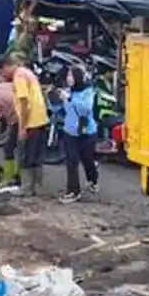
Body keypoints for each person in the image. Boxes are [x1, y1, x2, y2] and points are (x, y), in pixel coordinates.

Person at [0, 55, 49, 195]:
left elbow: (24, 103)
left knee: (25, 156)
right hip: (41, 119)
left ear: (6, 67)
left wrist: (22, 127)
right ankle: (38, 187)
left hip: (31, 121)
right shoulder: (26, 72)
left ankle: (26, 188)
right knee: (36, 156)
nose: (3, 76)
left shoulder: (19, 77)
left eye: (2, 72)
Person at [59, 65, 99, 203]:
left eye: (71, 75)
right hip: (70, 131)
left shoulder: (88, 91)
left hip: (86, 131)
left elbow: (85, 109)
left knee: (87, 159)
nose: (68, 78)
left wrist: (70, 99)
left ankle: (93, 179)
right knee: (71, 161)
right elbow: (63, 109)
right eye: (68, 76)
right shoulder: (67, 91)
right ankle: (73, 191)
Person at [0, 78, 20, 186]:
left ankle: (9, 178)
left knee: (9, 149)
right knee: (20, 148)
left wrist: (0, 132)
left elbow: (2, 120)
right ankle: (18, 175)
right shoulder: (1, 86)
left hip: (19, 118)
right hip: (26, 113)